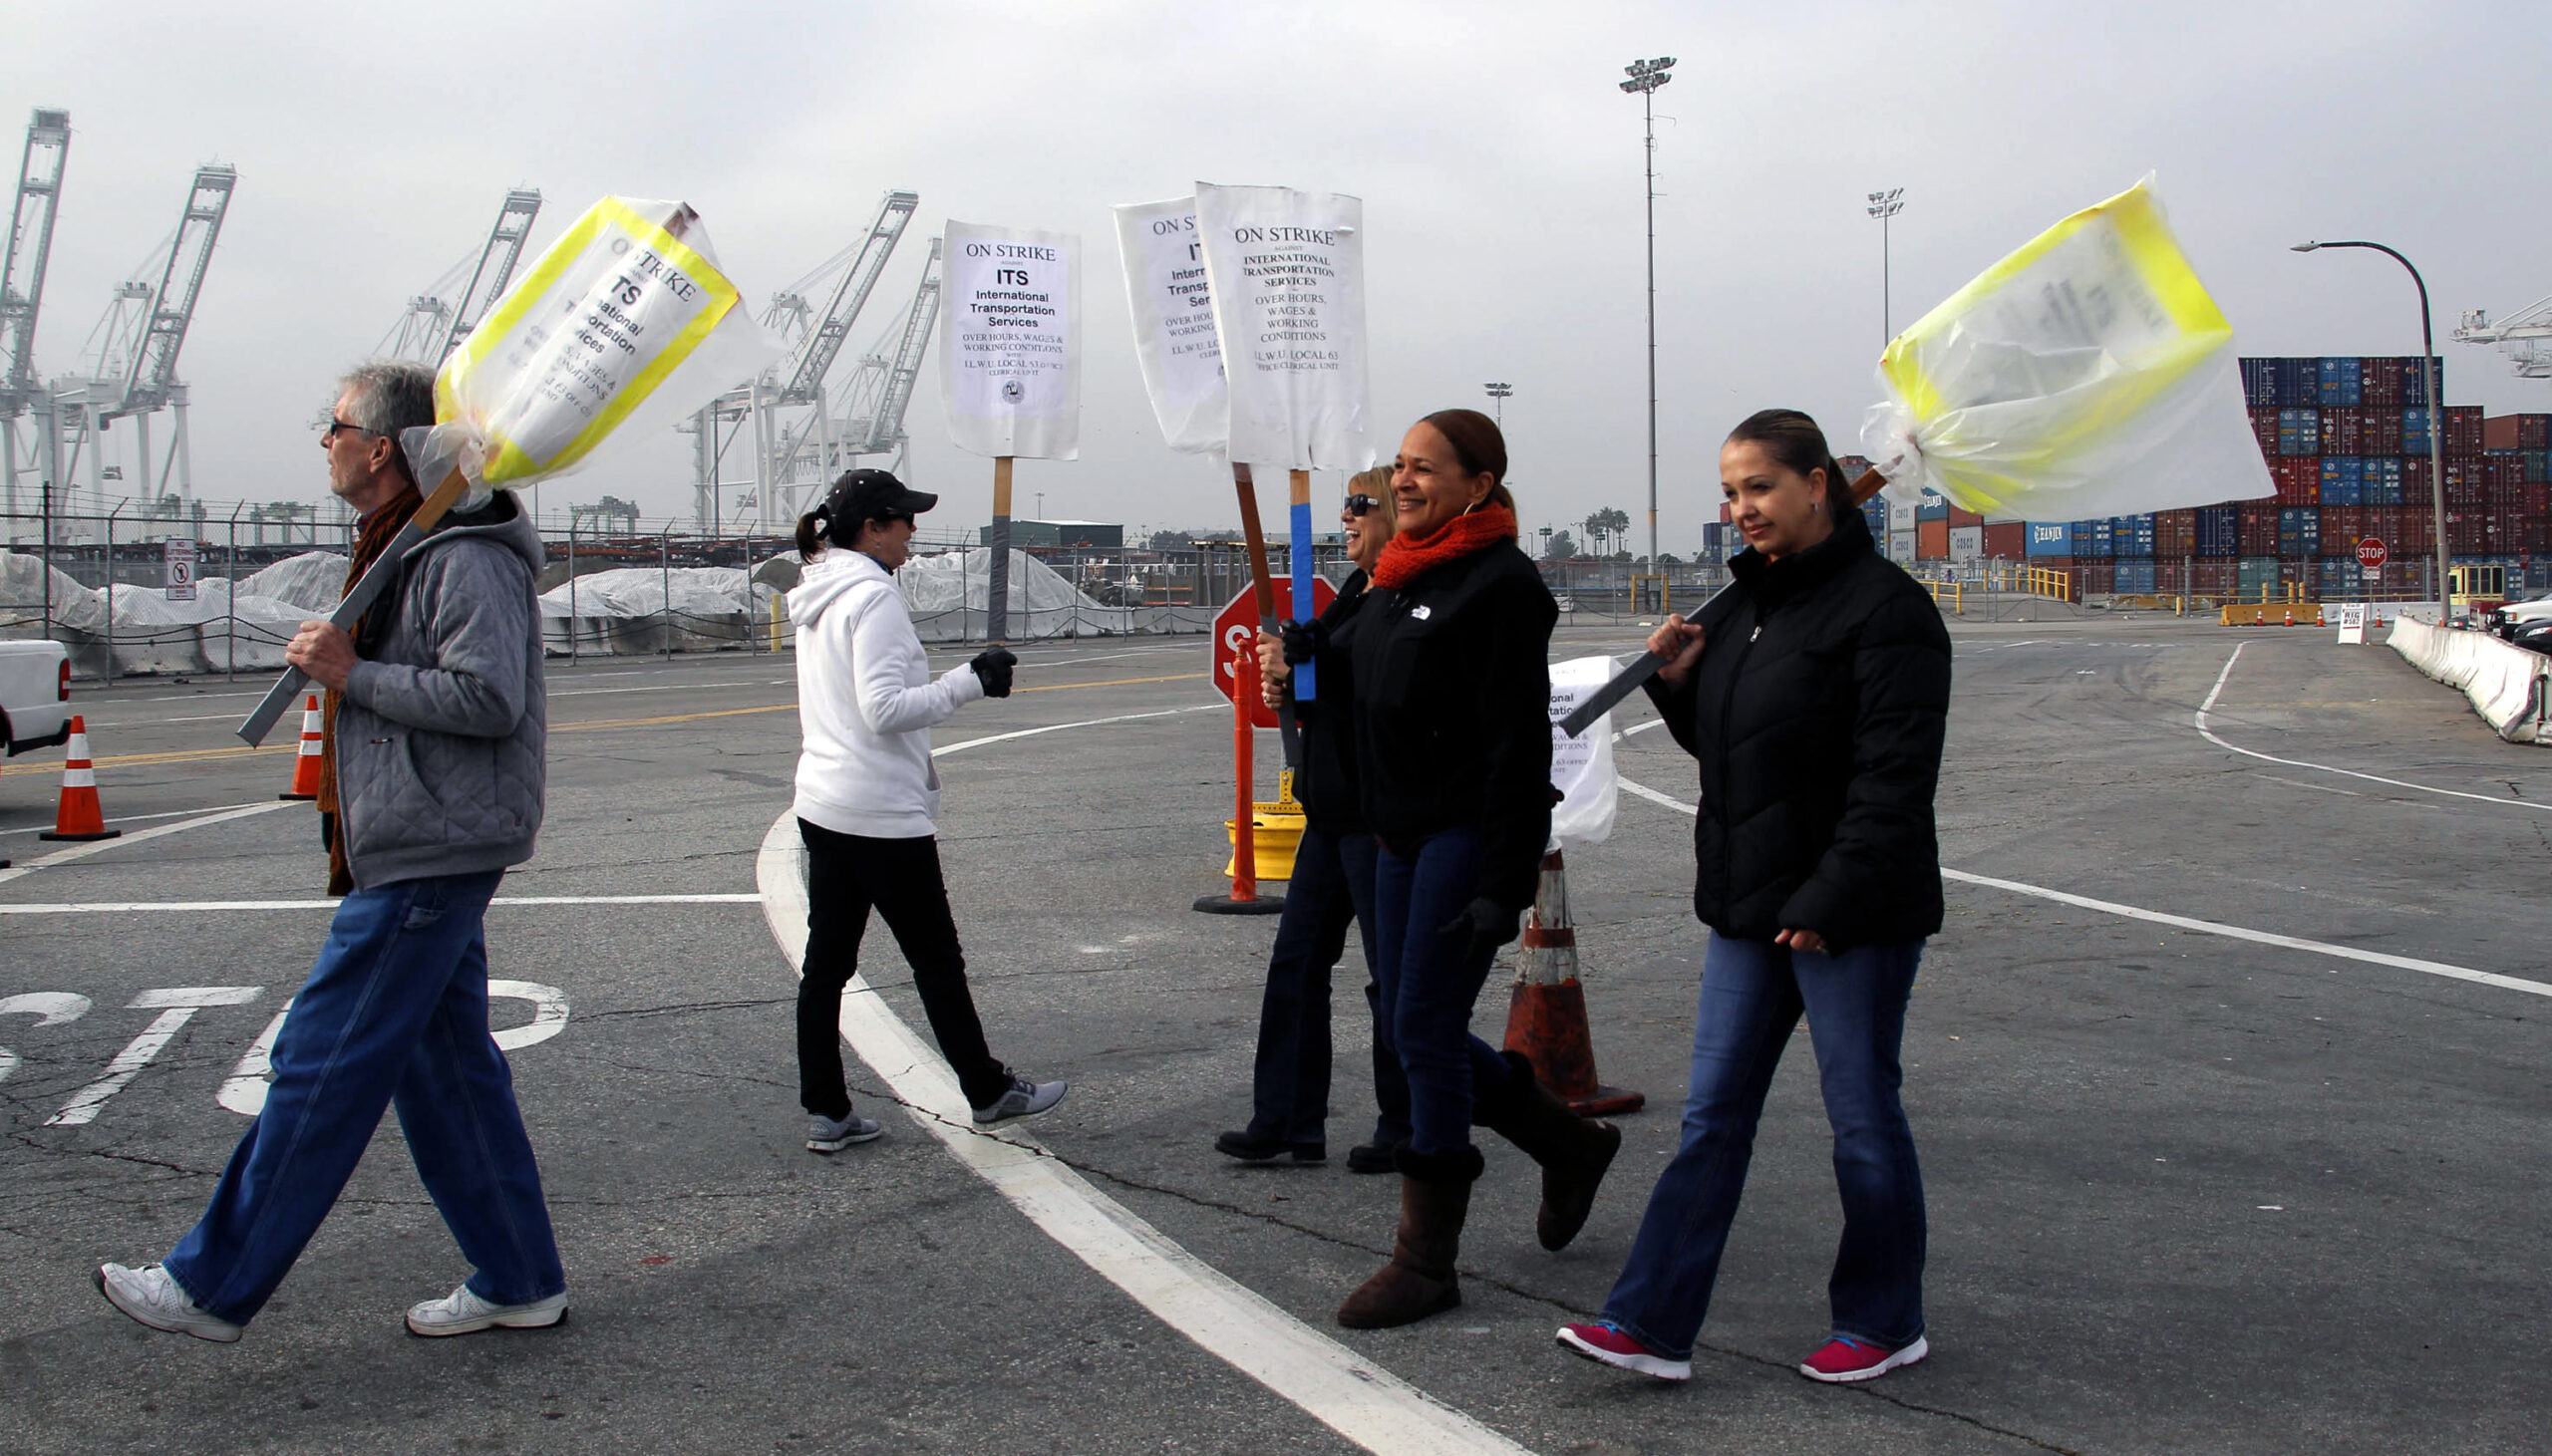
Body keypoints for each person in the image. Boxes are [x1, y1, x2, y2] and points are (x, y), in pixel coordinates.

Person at [96, 360, 567, 1342]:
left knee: (321, 1062)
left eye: (336, 424)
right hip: (418, 835)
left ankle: (210, 1285)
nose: (325, 441)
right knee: (445, 1074)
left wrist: (352, 670)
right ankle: (519, 1276)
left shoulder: (462, 553)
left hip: (431, 845)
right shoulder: (408, 541)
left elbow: (490, 700)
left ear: (383, 445)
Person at [1557, 409, 1951, 1385]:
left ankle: (1882, 1318)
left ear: (1819, 483)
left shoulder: (1887, 611)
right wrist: (1680, 687)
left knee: (1860, 1119)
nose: (1740, 509)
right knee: (1712, 1119)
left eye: (1759, 488)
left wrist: (1828, 898)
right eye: (1730, 493)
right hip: (1748, 907)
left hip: (1848, 915)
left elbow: (1892, 782)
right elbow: (1739, 760)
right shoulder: (1748, 611)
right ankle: (1649, 1324)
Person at [1336, 410, 1622, 1330]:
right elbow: (1361, 686)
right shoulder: (1390, 576)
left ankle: (1427, 1262)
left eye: (1425, 469)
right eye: (1400, 467)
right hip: (1393, 837)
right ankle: (1567, 1142)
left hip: (1464, 832)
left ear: (1479, 485)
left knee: (1421, 1023)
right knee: (1405, 1019)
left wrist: (1504, 883)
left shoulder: (1501, 585)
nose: (1405, 482)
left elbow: (1513, 746)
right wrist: (1302, 661)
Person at [788, 468, 1065, 1152]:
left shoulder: (818, 590)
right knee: (936, 960)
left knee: (826, 964)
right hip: (879, 812)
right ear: (873, 527)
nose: (913, 531)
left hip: (825, 800)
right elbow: (882, 708)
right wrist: (969, 679)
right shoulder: (871, 596)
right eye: (903, 519)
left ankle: (827, 1107)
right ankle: (987, 1088)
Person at [1218, 465, 1412, 1174]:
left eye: (1362, 505)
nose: (1348, 516)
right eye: (1346, 505)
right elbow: (1320, 689)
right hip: (1330, 812)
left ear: (1395, 511)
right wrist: (1288, 674)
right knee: (1296, 964)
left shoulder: (1400, 594)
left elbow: (1382, 690)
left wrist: (1314, 664)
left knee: (1390, 972)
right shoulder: (1356, 592)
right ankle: (1287, 1118)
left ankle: (1406, 1120)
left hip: (1375, 813)